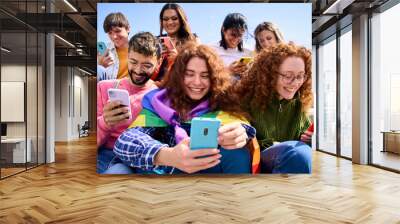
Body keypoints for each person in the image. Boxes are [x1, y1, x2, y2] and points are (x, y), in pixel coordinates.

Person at [108, 43, 256, 174]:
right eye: (189, 74)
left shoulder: (223, 101)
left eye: (205, 75)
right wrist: (168, 155)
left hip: (205, 178)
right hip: (161, 175)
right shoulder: (159, 101)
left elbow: (241, 126)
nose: (197, 82)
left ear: (214, 79)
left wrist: (240, 133)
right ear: (178, 76)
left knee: (238, 154)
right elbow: (125, 141)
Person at [234, 43, 313, 174]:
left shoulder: (299, 104)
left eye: (300, 76)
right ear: (270, 74)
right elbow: (243, 142)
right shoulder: (247, 100)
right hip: (259, 162)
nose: (295, 83)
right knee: (298, 153)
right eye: (288, 76)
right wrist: (271, 145)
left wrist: (310, 139)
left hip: (291, 164)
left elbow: (304, 142)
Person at [97, 32, 161, 173]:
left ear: (158, 63)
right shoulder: (104, 88)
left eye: (146, 65)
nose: (138, 70)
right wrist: (104, 123)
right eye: (133, 62)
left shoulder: (159, 96)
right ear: (127, 58)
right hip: (106, 155)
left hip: (140, 159)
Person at [151, 3, 198, 82]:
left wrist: (178, 58)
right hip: (157, 86)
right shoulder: (154, 40)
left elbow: (199, 65)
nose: (169, 22)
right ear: (161, 21)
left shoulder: (193, 39)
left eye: (174, 18)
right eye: (165, 19)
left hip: (182, 84)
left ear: (181, 19)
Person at [210, 13, 252, 79]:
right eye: (233, 34)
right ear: (223, 30)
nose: (236, 39)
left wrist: (247, 72)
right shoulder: (211, 50)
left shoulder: (248, 51)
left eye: (240, 35)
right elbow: (206, 76)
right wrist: (228, 71)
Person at [97, 12, 130, 81]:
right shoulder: (103, 51)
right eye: (110, 33)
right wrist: (100, 66)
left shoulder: (138, 48)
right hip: (111, 89)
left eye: (118, 31)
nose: (114, 37)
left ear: (128, 29)